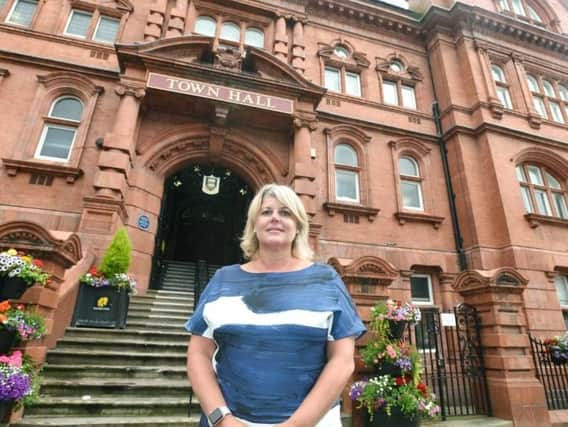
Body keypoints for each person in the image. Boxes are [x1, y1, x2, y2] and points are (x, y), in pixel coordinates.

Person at [185, 183, 366, 427]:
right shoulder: (222, 279)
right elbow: (198, 354)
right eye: (266, 212)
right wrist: (222, 420)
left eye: (285, 212)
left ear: (298, 226)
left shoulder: (326, 280)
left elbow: (343, 360)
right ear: (254, 225)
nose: (275, 219)